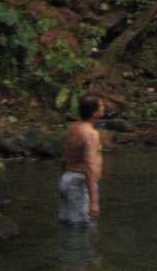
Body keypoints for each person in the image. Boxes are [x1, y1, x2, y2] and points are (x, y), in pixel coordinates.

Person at [60, 94, 105, 224]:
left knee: (67, 224)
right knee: (83, 228)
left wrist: (64, 179)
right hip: (80, 184)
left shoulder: (73, 128)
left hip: (66, 179)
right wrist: (94, 201)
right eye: (101, 105)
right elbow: (89, 166)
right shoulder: (91, 134)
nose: (104, 107)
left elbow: (65, 157)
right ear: (94, 112)